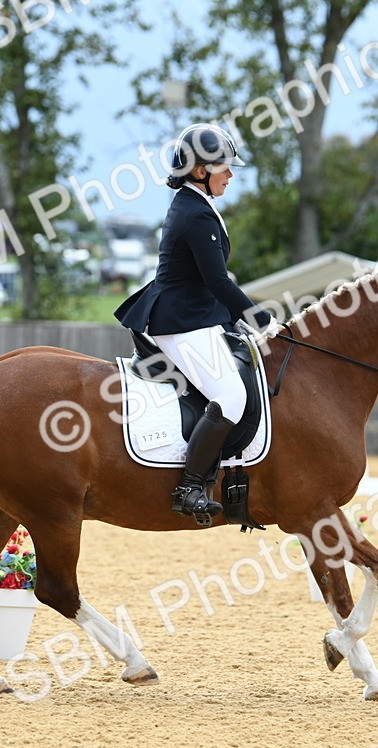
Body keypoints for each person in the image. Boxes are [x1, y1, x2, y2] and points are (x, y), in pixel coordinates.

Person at [115, 123, 279, 524]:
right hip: (182, 322)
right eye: (225, 166)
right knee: (231, 397)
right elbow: (218, 281)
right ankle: (189, 487)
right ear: (201, 170)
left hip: (194, 315)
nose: (231, 174)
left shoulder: (198, 206)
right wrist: (260, 320)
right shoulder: (194, 214)